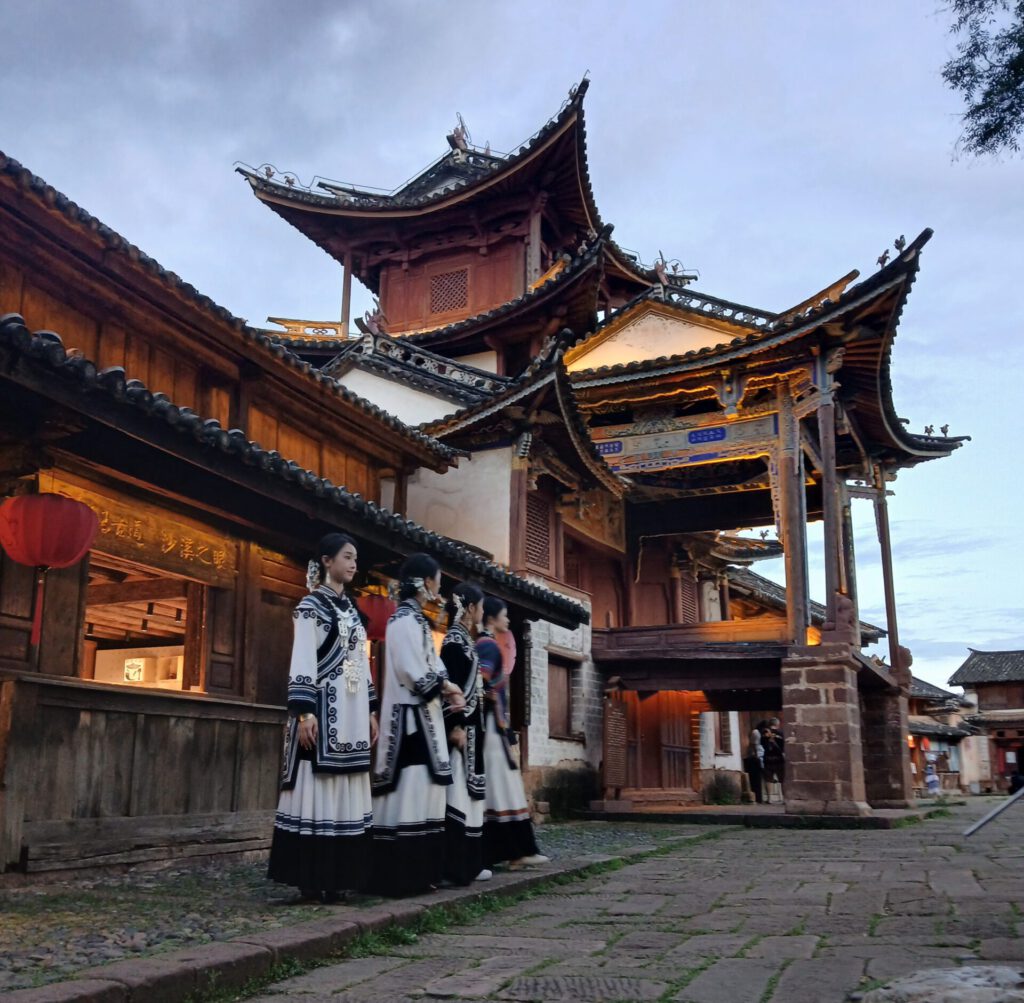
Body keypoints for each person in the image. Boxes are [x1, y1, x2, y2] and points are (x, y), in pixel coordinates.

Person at [267, 533, 379, 902]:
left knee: (348, 786)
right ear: (327, 561)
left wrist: (372, 708)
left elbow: (361, 663)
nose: (353, 564)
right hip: (322, 710)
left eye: (356, 558)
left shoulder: (353, 612)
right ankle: (313, 878)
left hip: (352, 712)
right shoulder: (310, 607)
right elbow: (302, 658)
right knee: (317, 786)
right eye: (347, 557)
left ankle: (341, 876)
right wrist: (304, 712)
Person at [371, 553, 466, 896]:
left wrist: (449, 684)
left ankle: (422, 871)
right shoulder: (402, 622)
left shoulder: (418, 623)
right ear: (426, 583)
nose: (439, 588)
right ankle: (400, 874)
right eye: (437, 581)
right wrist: (445, 686)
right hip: (409, 723)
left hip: (426, 719)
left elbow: (433, 665)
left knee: (426, 790)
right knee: (409, 788)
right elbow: (413, 671)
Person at [478, 596, 548, 870]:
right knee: (502, 790)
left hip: (492, 728)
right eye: (504, 615)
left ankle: (509, 851)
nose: (508, 620)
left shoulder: (484, 645)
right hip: (491, 730)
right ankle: (517, 851)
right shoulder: (488, 647)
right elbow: (480, 685)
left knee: (499, 791)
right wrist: (490, 699)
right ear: (492, 618)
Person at [439, 582, 491, 885]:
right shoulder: (453, 643)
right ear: (470, 608)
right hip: (463, 731)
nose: (482, 613)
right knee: (457, 795)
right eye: (480, 607)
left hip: (474, 729)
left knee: (469, 797)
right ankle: (456, 866)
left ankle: (470, 863)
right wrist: (456, 726)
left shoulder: (465, 642)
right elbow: (453, 689)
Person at [762, 717, 785, 805]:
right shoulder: (781, 733)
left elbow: (762, 744)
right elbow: (783, 747)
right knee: (782, 780)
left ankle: (769, 798)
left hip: (767, 758)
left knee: (768, 779)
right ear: (777, 724)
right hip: (779, 759)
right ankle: (784, 799)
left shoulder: (764, 734)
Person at [743, 722, 764, 805]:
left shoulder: (756, 732)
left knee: (758, 778)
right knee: (756, 778)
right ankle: (758, 797)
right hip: (755, 758)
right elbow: (754, 745)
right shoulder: (756, 732)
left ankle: (759, 797)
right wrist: (756, 756)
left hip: (756, 756)